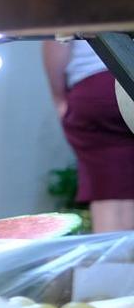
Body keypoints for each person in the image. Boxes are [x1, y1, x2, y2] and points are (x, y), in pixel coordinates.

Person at [43, 39, 134, 233]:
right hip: (126, 76)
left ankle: (114, 261)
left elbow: (58, 40)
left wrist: (58, 98)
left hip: (96, 86)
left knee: (108, 193)